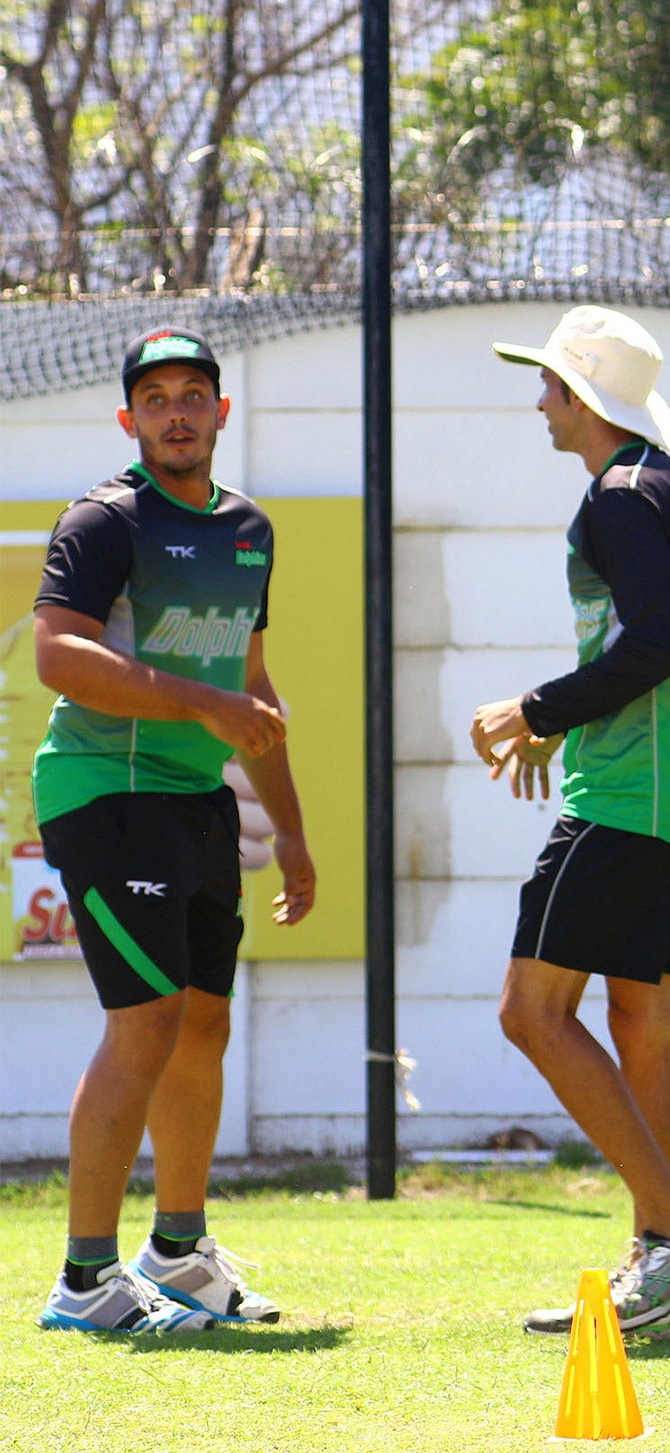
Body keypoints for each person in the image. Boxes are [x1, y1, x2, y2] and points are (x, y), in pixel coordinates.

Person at [469, 306, 670, 1339]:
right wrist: (566, 725)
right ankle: (661, 1266)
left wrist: (532, 712)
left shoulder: (620, 494)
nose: (539, 399)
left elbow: (652, 650)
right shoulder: (668, 487)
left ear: (583, 397)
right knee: (640, 1013)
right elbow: (655, 648)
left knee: (530, 1012)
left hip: (626, 799)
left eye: (548, 383)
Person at [33, 325, 315, 1333]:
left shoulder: (249, 530)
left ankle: (182, 1254)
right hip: (105, 790)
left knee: (204, 1019)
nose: (178, 412)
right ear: (130, 419)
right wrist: (199, 706)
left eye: (195, 393)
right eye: (157, 399)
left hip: (195, 800)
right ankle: (83, 1284)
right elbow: (58, 658)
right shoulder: (104, 520)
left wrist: (291, 831)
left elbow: (250, 686)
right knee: (145, 1022)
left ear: (221, 412)